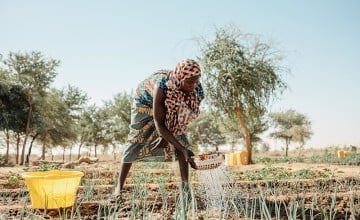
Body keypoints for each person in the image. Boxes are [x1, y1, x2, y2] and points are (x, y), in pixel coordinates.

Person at [114, 59, 204, 199]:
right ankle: (118, 189)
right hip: (144, 101)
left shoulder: (196, 89)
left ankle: (186, 188)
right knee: (136, 139)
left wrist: (176, 142)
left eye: (196, 81)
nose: (193, 86)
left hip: (172, 103)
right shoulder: (161, 87)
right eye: (190, 82)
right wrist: (166, 136)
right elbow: (159, 123)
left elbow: (181, 116)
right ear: (180, 78)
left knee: (181, 141)